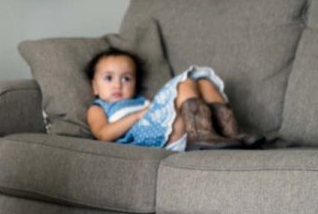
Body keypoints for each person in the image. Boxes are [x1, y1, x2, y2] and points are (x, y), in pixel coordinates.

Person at [85, 49, 263, 151]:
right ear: (94, 86)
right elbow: (103, 134)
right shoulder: (100, 107)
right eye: (109, 78)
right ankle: (202, 135)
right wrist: (137, 116)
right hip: (146, 140)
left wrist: (145, 109)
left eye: (126, 78)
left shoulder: (141, 101)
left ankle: (230, 132)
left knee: (203, 82)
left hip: (178, 131)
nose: (118, 84)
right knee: (185, 84)